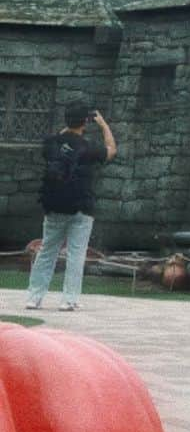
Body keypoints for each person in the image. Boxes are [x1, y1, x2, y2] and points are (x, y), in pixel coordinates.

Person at [25, 102, 117, 311]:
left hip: (54, 206)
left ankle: (34, 297)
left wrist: (69, 126)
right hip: (81, 208)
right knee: (76, 254)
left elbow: (59, 141)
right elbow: (111, 150)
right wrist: (103, 125)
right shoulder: (87, 147)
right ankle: (69, 300)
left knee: (47, 251)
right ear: (86, 121)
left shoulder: (50, 143)